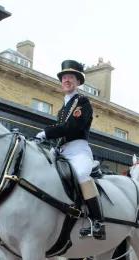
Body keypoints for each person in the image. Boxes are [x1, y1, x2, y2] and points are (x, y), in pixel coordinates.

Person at [35, 60, 105, 240]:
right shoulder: (62, 109)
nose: (66, 80)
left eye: (71, 77)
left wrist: (46, 132)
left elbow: (72, 127)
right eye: (64, 77)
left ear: (78, 82)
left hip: (78, 150)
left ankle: (98, 222)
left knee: (81, 175)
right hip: (62, 152)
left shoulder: (82, 102)